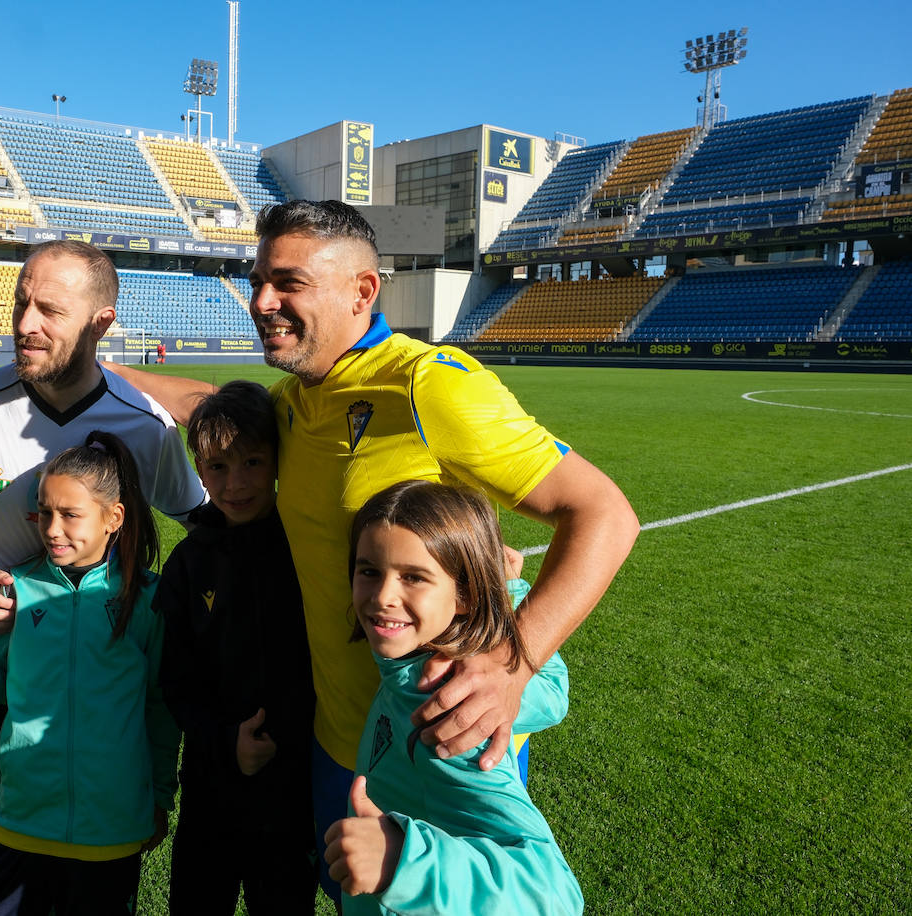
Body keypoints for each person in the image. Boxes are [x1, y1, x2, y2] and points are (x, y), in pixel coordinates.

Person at [106, 199, 638, 901]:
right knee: (351, 896)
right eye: (258, 279)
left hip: (438, 742)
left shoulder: (429, 384)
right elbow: (203, 398)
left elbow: (603, 511)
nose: (261, 301)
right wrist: (93, 365)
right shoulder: (295, 404)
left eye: (289, 282)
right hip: (336, 738)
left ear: (362, 291)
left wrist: (515, 661)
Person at [0, 239, 206, 916]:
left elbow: (203, 522)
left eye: (49, 309)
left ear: (101, 322)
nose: (24, 322)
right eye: (21, 301)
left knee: (85, 836)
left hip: (99, 660)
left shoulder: (142, 426)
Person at [323, 480, 582, 915]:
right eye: (369, 570)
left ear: (465, 595)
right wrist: (510, 591)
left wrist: (403, 863)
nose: (383, 596)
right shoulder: (485, 674)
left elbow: (554, 894)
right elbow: (551, 690)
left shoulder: (444, 710)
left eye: (413, 577)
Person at [0, 431, 176, 915]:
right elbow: (0, 685)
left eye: (70, 515)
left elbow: (160, 709)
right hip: (21, 818)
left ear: (114, 518)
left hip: (110, 826)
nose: (52, 528)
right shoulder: (18, 587)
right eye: (45, 512)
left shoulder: (148, 599)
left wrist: (159, 796)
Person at [156, 381, 316, 915]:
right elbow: (175, 681)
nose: (236, 483)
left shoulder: (308, 547)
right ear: (198, 470)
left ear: (276, 461)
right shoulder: (187, 563)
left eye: (251, 461)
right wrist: (227, 743)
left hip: (294, 785)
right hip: (211, 782)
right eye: (217, 467)